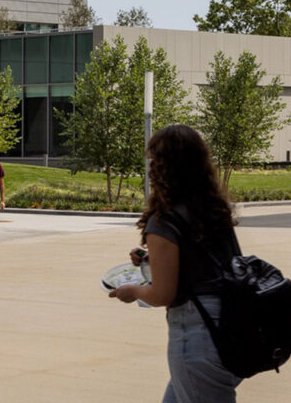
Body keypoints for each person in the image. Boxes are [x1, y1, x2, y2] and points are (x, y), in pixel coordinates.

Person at [109, 124, 242, 402]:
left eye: (153, 160)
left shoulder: (165, 219)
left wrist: (132, 292)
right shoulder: (213, 209)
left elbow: (162, 294)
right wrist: (150, 258)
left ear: (162, 166)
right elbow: (203, 262)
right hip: (233, 328)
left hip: (198, 336)